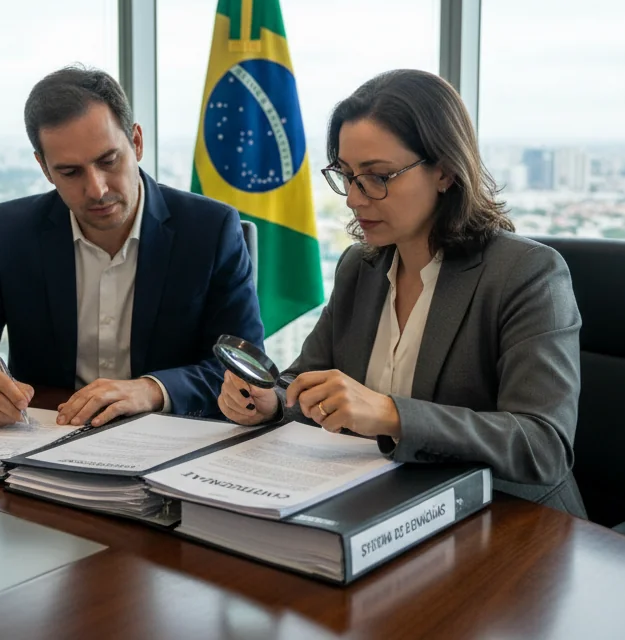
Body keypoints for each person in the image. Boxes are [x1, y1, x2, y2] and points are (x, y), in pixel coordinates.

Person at [218, 69, 585, 516]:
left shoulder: (525, 273)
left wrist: (391, 415)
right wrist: (271, 402)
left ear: (444, 171)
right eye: (346, 175)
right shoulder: (360, 267)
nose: (354, 198)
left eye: (377, 176)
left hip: (510, 523)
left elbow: (543, 445)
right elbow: (304, 379)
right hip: (387, 507)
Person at [0, 66, 263, 429]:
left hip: (169, 440)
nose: (97, 189)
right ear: (44, 168)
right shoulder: (11, 231)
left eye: (108, 161)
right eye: (70, 172)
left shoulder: (210, 230)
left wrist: (152, 390)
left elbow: (244, 369)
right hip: (47, 439)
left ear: (136, 142)